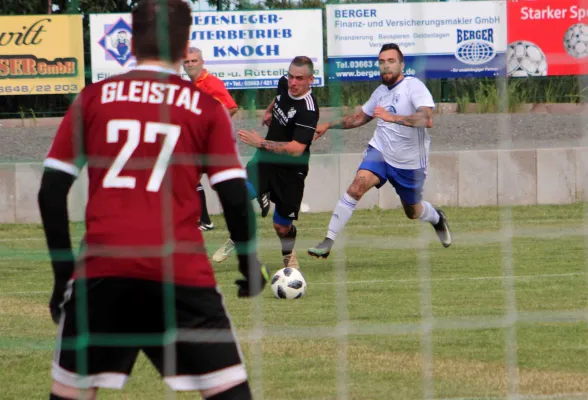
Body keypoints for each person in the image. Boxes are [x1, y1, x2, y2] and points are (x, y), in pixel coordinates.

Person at [37, 1, 268, 399]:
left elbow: (50, 192)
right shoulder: (205, 108)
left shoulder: (93, 99)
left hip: (102, 272)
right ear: (184, 47)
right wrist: (249, 263)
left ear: (132, 40)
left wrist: (63, 280)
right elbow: (232, 195)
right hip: (178, 271)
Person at [308, 43, 451, 259]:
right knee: (357, 186)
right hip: (381, 152)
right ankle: (328, 240)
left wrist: (392, 117)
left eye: (391, 61)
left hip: (409, 163)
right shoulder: (380, 92)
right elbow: (359, 117)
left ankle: (436, 218)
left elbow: (426, 119)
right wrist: (328, 125)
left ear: (402, 65)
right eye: (382, 62)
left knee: (413, 211)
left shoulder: (414, 87)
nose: (386, 66)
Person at [214, 56, 319, 269]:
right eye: (290, 76)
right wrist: (270, 110)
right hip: (264, 162)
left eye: (299, 78)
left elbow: (296, 150)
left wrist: (260, 142)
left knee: (281, 226)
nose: (293, 83)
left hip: (291, 172)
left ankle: (288, 254)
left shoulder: (308, 110)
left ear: (311, 80)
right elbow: (279, 95)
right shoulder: (285, 84)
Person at [183, 46, 239, 231]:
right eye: (187, 61)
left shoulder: (211, 83)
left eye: (194, 60)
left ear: (202, 62)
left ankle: (258, 189)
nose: (190, 64)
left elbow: (231, 107)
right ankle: (203, 220)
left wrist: (212, 131)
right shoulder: (192, 85)